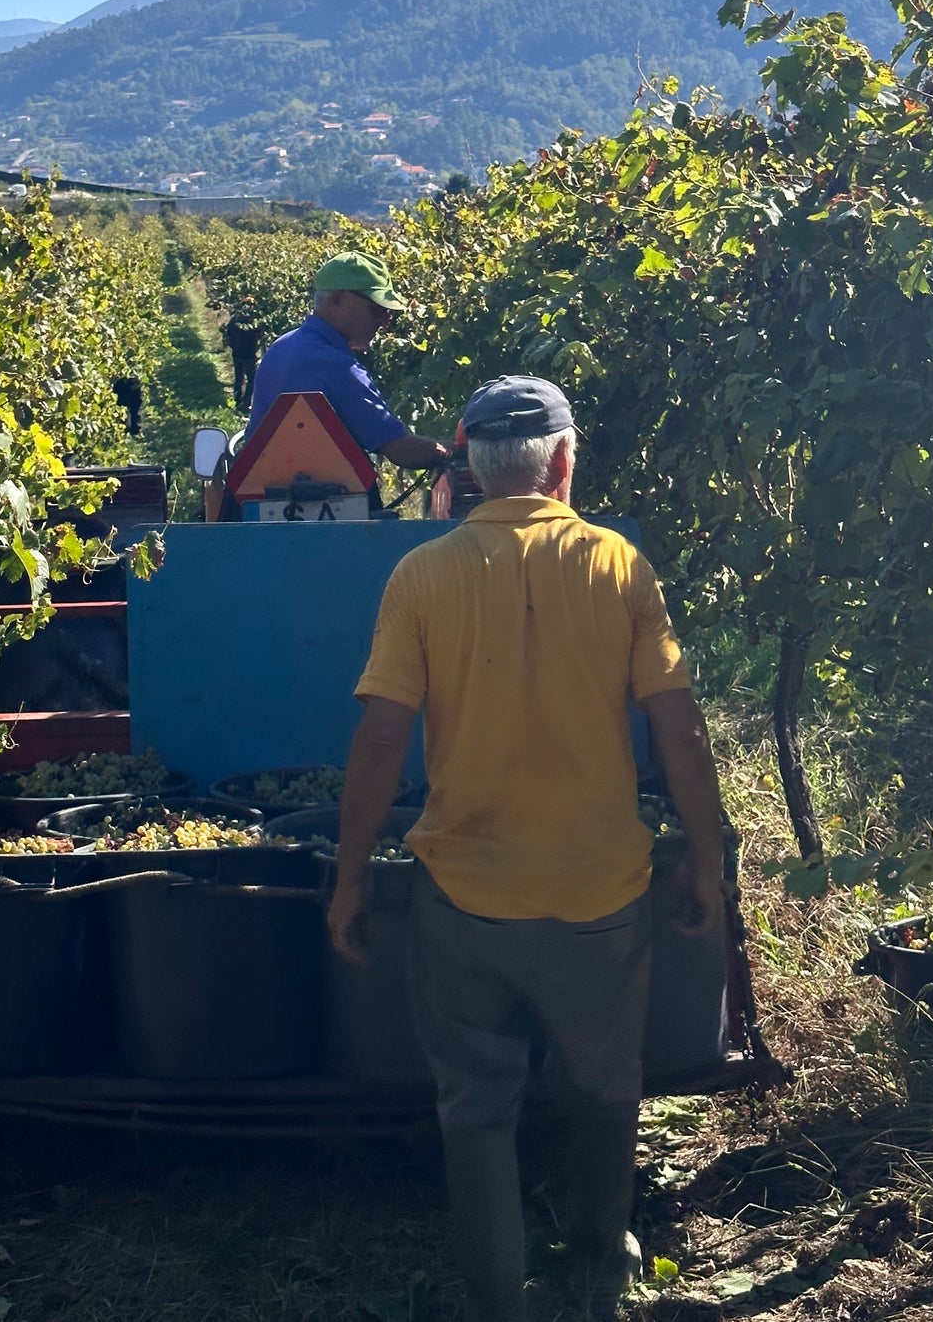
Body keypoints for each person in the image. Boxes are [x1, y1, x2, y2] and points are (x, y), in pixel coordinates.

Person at [327, 375, 724, 1322]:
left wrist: (348, 880)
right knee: (602, 1084)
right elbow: (679, 729)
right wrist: (704, 855)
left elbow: (381, 739)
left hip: (463, 895)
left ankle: (497, 1299)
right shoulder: (617, 564)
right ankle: (594, 1260)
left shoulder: (423, 574)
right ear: (563, 461)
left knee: (474, 1103)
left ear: (465, 463)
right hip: (598, 893)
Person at [244, 252, 453, 515]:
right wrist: (454, 449)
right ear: (338, 299)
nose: (384, 321)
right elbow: (401, 450)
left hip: (262, 499)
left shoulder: (284, 345)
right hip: (324, 510)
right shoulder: (334, 364)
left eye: (387, 312)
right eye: (376, 309)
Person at [219, 296, 263, 411]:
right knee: (251, 379)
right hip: (249, 354)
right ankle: (246, 402)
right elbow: (261, 336)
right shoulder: (255, 321)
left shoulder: (234, 320)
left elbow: (227, 337)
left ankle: (237, 401)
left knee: (239, 378)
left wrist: (233, 347)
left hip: (237, 353)